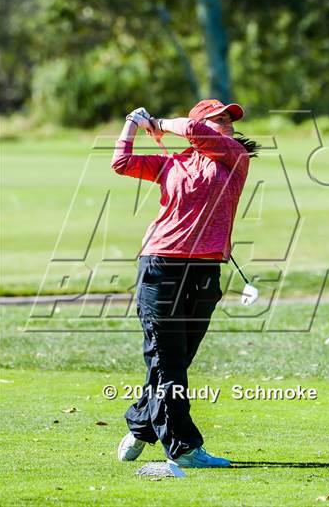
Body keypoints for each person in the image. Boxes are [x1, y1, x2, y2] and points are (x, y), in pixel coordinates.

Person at [111, 99, 259, 468]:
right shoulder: (172, 163)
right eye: (217, 119)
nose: (225, 124)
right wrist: (132, 123)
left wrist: (158, 122)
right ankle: (185, 448)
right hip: (161, 265)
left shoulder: (235, 157)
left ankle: (143, 423)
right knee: (167, 359)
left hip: (206, 271)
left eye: (228, 119)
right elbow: (122, 163)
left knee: (176, 359)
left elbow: (194, 131)